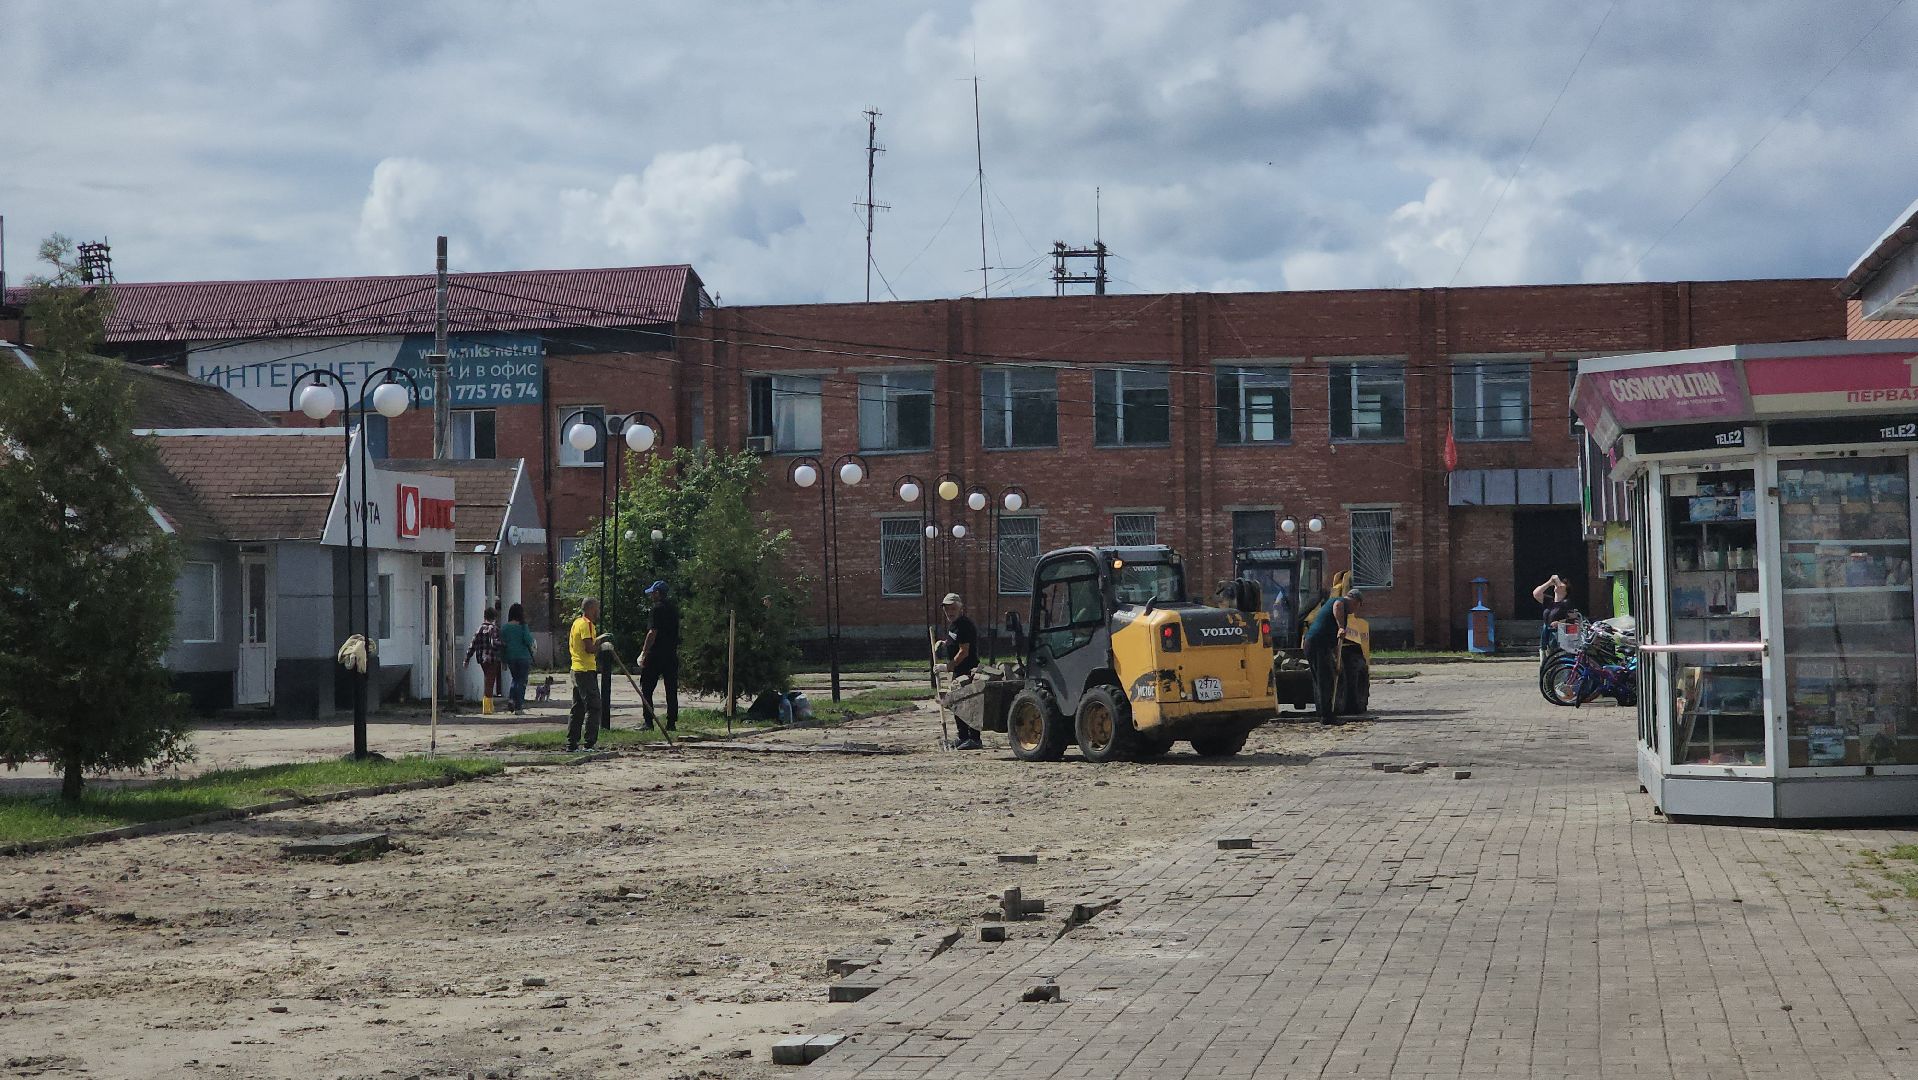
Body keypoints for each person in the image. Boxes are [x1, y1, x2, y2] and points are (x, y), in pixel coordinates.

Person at [1305, 589, 1361, 724]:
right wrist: (1341, 627)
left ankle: (1323, 713)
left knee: (1324, 679)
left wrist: (1338, 661)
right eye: (1357, 606)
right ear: (1354, 601)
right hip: (1317, 643)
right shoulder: (1340, 603)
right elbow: (1337, 605)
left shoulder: (1343, 614)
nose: (1356, 610)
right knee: (1325, 680)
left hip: (1317, 644)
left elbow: (1336, 643)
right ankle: (1326, 716)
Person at [638, 580, 680, 732]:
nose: (651, 596)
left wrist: (644, 652)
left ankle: (648, 722)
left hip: (655, 655)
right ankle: (671, 722)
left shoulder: (656, 609)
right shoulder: (673, 609)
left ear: (657, 593)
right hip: (671, 654)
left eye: (653, 593)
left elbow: (652, 632)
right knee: (671, 689)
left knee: (647, 688)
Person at [942, 592, 982, 750]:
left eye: (953, 608)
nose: (949, 612)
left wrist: (947, 666)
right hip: (958, 670)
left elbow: (964, 651)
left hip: (967, 670)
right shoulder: (954, 624)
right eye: (946, 609)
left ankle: (974, 739)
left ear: (961, 609)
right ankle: (963, 737)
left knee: (969, 704)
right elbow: (955, 641)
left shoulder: (964, 625)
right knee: (957, 703)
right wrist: (944, 644)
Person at [567, 598, 608, 751]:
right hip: (585, 670)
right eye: (597, 608)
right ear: (591, 609)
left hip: (576, 668)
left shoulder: (577, 622)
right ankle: (589, 743)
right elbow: (589, 648)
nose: (598, 612)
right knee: (594, 706)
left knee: (578, 708)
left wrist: (598, 640)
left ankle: (572, 743)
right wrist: (602, 645)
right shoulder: (587, 624)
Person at [500, 602, 536, 714]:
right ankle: (519, 706)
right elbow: (528, 640)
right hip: (523, 657)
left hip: (510, 657)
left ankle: (511, 699)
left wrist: (503, 661)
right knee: (522, 681)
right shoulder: (523, 626)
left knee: (515, 679)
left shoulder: (504, 628)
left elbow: (502, 646)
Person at [463, 607, 502, 703]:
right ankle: (487, 706)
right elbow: (495, 643)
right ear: (494, 618)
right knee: (490, 682)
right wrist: (504, 644)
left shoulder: (479, 629)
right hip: (492, 658)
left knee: (487, 679)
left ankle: (487, 704)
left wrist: (467, 659)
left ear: (485, 617)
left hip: (481, 658)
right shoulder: (494, 628)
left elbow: (473, 644)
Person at [1533, 574, 1573, 654]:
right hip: (1546, 636)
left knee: (1555, 656)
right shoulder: (1549, 601)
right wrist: (1549, 582)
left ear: (1566, 591)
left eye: (1563, 585)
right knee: (1546, 657)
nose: (1559, 585)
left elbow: (1573, 621)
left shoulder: (1566, 603)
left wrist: (1560, 623)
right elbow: (1536, 593)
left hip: (1559, 637)